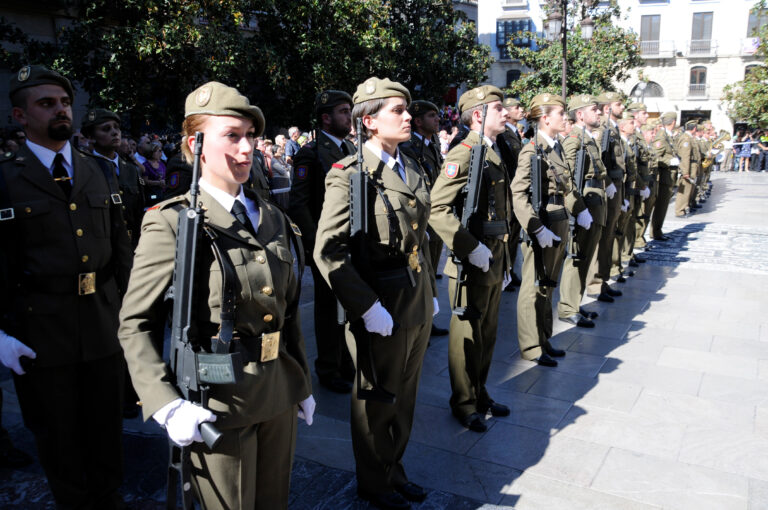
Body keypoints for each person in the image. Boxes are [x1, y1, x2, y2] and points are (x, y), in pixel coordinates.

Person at [119, 81, 314, 509]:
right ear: (196, 144)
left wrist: (301, 380)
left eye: (251, 136)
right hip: (217, 406)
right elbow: (136, 323)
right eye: (232, 136)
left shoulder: (273, 218)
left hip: (278, 393)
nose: (246, 148)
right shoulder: (171, 222)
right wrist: (165, 403)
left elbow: (288, 310)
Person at [0, 64, 132, 509]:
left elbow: (121, 251)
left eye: (63, 102)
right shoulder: (6, 178)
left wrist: (133, 318)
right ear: (21, 116)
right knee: (58, 435)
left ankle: (109, 498)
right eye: (45, 103)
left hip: (101, 321)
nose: (60, 110)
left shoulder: (98, 169)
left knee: (105, 427)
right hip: (40, 331)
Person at [314, 77, 436, 510]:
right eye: (397, 111)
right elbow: (327, 251)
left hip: (416, 298)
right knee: (375, 398)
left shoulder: (412, 165)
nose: (408, 117)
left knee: (404, 397)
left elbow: (421, 235)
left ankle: (394, 468)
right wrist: (366, 308)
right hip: (380, 306)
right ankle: (374, 481)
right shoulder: (350, 176)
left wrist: (431, 287)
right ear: (369, 122)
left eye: (407, 110)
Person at [429, 85, 513, 432]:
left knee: (488, 334)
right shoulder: (464, 153)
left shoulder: (493, 150)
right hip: (471, 262)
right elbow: (437, 208)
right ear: (478, 115)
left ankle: (480, 393)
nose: (506, 112)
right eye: (498, 108)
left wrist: (504, 261)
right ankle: (463, 402)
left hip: (493, 258)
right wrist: (469, 247)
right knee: (466, 337)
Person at [289, 90, 357, 394]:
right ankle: (329, 367)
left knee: (350, 302)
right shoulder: (311, 153)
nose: (349, 117)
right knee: (329, 308)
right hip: (327, 243)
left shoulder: (350, 149)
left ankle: (347, 360)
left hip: (353, 241)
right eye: (344, 111)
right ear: (326, 118)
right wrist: (318, 242)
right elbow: (299, 204)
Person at [512, 92, 585, 367]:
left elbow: (565, 188)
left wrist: (579, 211)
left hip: (559, 221)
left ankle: (543, 338)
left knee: (548, 285)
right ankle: (531, 345)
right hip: (541, 224)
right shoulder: (532, 149)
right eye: (559, 113)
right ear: (545, 118)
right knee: (533, 286)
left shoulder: (556, 147)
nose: (565, 117)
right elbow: (517, 194)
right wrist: (535, 228)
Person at [398, 99, 449, 337]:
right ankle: (420, 321)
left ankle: (428, 318)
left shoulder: (431, 144)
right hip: (422, 220)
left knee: (431, 271)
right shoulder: (409, 148)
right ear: (418, 121)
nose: (437, 119)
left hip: (435, 217)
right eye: (432, 115)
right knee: (420, 273)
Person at [557, 94, 606, 328]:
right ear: (580, 115)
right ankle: (567, 306)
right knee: (576, 258)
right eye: (594, 109)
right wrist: (578, 209)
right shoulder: (574, 140)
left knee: (585, 257)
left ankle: (575, 302)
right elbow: (568, 180)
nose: (599, 113)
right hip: (585, 204)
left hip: (595, 203)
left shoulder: (587, 138)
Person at [81, 108, 145, 249]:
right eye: (106, 129)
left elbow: (139, 211)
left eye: (117, 128)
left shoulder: (131, 170)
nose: (115, 132)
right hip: (99, 248)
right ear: (91, 137)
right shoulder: (84, 170)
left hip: (130, 246)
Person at [585, 91, 625, 303]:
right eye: (619, 104)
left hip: (616, 186)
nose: (622, 108)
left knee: (609, 235)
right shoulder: (603, 131)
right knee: (601, 237)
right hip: (607, 187)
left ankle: (603, 280)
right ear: (608, 107)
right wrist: (608, 184)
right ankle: (594, 284)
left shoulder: (612, 128)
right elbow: (599, 163)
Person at [497, 96, 526, 291]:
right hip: (509, 190)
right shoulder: (504, 134)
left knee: (514, 233)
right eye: (517, 107)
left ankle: (509, 269)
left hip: (516, 189)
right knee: (508, 234)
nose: (521, 110)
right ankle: (504, 271)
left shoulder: (514, 133)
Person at [651, 112, 679, 240]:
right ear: (673, 122)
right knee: (661, 206)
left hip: (669, 176)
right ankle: (656, 231)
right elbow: (656, 156)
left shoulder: (668, 136)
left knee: (663, 206)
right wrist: (670, 161)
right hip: (663, 177)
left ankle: (657, 230)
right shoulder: (662, 136)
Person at [674, 120, 700, 217]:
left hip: (692, 166)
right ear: (694, 129)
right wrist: (685, 171)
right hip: (688, 167)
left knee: (689, 189)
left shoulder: (689, 138)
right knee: (684, 189)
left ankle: (684, 208)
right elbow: (685, 156)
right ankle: (680, 210)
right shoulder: (686, 139)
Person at [142, 140, 167, 206]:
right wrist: (158, 183)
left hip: (163, 194)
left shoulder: (162, 164)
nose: (160, 153)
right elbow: (145, 181)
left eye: (161, 151)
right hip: (152, 195)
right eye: (158, 151)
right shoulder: (146, 165)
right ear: (151, 152)